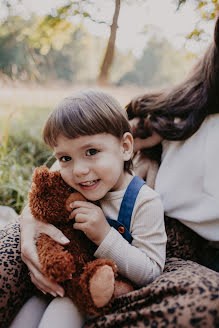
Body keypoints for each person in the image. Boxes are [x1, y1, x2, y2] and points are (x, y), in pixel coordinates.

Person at [8, 89, 166, 328]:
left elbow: (152, 272)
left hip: (96, 293)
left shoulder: (145, 202)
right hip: (59, 281)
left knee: (60, 314)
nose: (79, 170)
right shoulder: (67, 182)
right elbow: (37, 206)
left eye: (91, 152)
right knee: (24, 314)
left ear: (125, 147)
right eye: (65, 158)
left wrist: (104, 235)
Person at [125, 15, 219, 272]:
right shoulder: (175, 117)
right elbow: (81, 150)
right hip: (142, 239)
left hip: (191, 265)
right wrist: (34, 218)